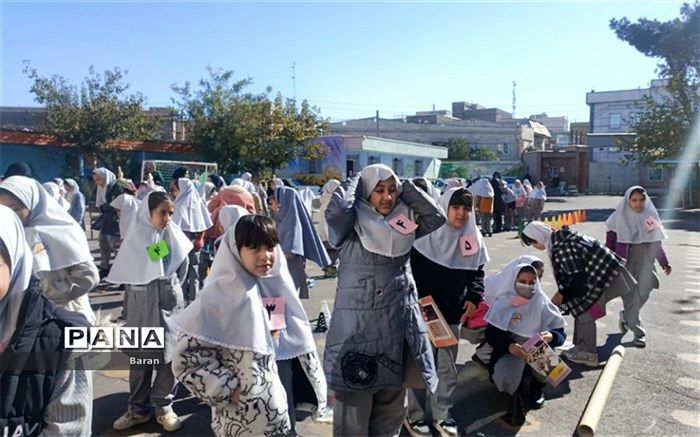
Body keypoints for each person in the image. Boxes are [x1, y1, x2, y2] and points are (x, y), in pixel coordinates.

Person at [323, 164, 445, 436]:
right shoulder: (351, 225)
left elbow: (435, 216)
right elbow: (337, 210)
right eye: (378, 190)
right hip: (359, 335)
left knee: (390, 413)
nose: (387, 197)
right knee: (353, 417)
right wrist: (357, 176)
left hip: (397, 331)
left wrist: (406, 187)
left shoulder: (403, 222)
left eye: (392, 190)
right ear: (366, 192)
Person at [169, 212, 294, 436]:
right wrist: (234, 391)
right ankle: (158, 406)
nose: (265, 256)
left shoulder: (263, 288)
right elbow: (185, 361)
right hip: (240, 424)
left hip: (274, 418)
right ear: (236, 249)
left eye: (270, 247)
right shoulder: (217, 297)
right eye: (255, 248)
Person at [0, 205, 93, 437]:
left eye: (14, 204)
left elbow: (89, 276)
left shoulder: (63, 231)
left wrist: (54, 293)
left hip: (49, 312)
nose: (9, 207)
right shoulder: (18, 233)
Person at [106, 192, 192, 432]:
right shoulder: (135, 239)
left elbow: (180, 269)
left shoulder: (173, 238)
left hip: (168, 308)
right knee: (141, 361)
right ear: (148, 212)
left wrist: (168, 289)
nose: (167, 218)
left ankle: (163, 406)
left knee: (167, 360)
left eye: (170, 213)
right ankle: (138, 409)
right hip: (141, 308)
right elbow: (129, 274)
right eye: (162, 212)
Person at [406, 187, 488, 437]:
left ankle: (442, 415)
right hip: (422, 313)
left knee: (446, 368)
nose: (461, 213)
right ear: (444, 207)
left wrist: (474, 297)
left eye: (466, 208)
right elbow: (407, 268)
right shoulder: (426, 233)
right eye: (455, 207)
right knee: (419, 366)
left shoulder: (472, 237)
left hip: (452, 315)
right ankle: (415, 416)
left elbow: (477, 272)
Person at [521, 221, 636, 367]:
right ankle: (580, 347)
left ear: (537, 237)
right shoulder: (561, 237)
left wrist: (562, 292)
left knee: (584, 311)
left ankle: (587, 354)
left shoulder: (560, 247)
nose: (534, 247)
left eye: (532, 243)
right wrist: (563, 292)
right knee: (581, 308)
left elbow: (576, 276)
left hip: (603, 277)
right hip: (605, 273)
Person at [0, 176, 98, 323]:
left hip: (64, 314)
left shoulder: (63, 230)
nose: (10, 215)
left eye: (15, 209)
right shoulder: (9, 233)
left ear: (33, 204)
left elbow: (88, 277)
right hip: (22, 316)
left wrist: (48, 293)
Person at [484, 264, 566, 426]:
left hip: (536, 349)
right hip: (510, 351)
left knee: (551, 369)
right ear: (513, 281)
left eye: (531, 282)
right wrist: (509, 345)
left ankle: (537, 387)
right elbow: (492, 335)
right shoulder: (504, 302)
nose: (527, 286)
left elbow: (560, 334)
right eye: (522, 281)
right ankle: (516, 385)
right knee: (503, 377)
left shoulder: (543, 303)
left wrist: (551, 336)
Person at [604, 186, 671, 347]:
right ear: (628, 200)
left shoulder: (649, 217)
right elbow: (609, 245)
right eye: (634, 200)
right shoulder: (617, 218)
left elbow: (656, 243)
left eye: (642, 200)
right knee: (631, 298)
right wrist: (608, 265)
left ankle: (626, 316)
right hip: (626, 263)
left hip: (646, 262)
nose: (638, 203)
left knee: (645, 293)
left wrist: (664, 262)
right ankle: (639, 332)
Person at [270, 186, 330, 299]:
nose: (270, 200)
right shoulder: (279, 219)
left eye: (274, 198)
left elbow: (291, 251)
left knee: (285, 310)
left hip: (289, 274)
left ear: (282, 203)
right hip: (279, 276)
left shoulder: (291, 224)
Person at [171, 178, 213, 305]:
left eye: (175, 189)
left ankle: (182, 299)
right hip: (197, 244)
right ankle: (193, 299)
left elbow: (174, 226)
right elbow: (206, 222)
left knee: (181, 273)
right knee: (194, 272)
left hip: (182, 246)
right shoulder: (199, 202)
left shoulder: (178, 205)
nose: (174, 193)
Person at [93, 167, 127, 277]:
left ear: (105, 178)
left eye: (99, 180)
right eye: (96, 180)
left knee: (116, 246)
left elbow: (118, 204)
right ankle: (104, 268)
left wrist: (107, 206)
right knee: (103, 243)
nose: (98, 183)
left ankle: (121, 272)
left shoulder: (116, 187)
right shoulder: (101, 189)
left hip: (115, 221)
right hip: (106, 220)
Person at [318, 179, 341, 278]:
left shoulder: (324, 199)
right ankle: (330, 270)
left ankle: (328, 269)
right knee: (333, 253)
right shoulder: (332, 200)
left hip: (323, 232)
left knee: (328, 253)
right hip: (330, 232)